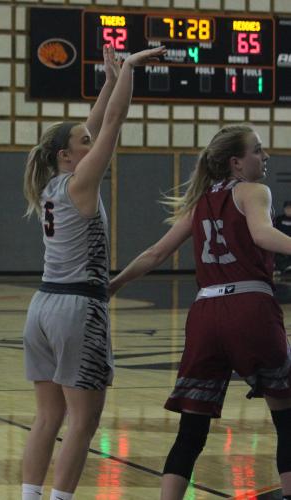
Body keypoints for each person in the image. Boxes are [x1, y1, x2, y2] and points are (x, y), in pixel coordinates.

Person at [109, 124, 291, 500]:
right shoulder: (255, 191)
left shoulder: (199, 202)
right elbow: (261, 234)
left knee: (191, 433)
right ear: (236, 164)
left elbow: (155, 254)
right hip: (250, 309)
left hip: (205, 314)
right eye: (257, 150)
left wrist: (114, 284)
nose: (266, 155)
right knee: (287, 419)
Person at [21, 44, 166, 500]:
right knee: (83, 422)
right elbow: (115, 123)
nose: (92, 139)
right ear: (68, 156)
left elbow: (98, 122)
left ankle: (30, 497)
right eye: (84, 141)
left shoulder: (51, 182)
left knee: (48, 417)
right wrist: (130, 72)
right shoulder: (81, 183)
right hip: (77, 308)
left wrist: (107, 80)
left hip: (41, 307)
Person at [275, 201, 291, 274]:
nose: (288, 210)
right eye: (287, 208)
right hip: (279, 243)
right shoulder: (279, 219)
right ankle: (279, 269)